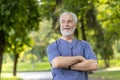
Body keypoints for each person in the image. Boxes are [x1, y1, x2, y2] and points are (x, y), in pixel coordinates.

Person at [46, 12, 98, 80]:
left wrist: (67, 65)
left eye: (69, 21)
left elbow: (93, 65)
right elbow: (57, 63)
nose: (66, 24)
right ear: (60, 25)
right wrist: (78, 58)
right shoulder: (53, 46)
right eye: (63, 22)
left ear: (75, 25)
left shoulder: (85, 45)